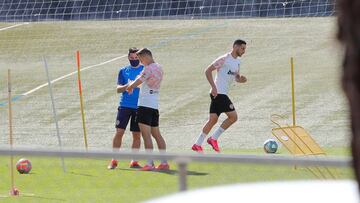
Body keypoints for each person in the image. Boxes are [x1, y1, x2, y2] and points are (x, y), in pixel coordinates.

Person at [192, 39, 248, 153]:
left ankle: (197, 144)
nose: (244, 51)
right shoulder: (224, 59)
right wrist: (213, 87)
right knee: (233, 117)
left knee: (213, 120)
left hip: (221, 94)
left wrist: (241, 79)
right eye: (242, 48)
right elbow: (207, 71)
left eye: (245, 49)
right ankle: (213, 138)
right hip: (219, 94)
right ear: (235, 47)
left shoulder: (237, 62)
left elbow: (236, 78)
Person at [127, 48, 170, 171]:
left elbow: (138, 81)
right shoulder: (159, 67)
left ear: (146, 57)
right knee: (157, 135)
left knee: (146, 136)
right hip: (154, 104)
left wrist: (130, 87)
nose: (140, 62)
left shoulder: (148, 68)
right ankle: (164, 162)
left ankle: (150, 163)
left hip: (145, 105)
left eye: (140, 59)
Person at [108, 47, 144, 170]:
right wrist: (127, 86)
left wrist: (136, 86)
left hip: (139, 106)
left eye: (136, 58)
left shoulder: (144, 70)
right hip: (124, 106)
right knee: (119, 132)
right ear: (128, 57)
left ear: (139, 58)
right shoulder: (123, 71)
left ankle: (134, 161)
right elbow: (118, 89)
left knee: (136, 135)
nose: (134, 60)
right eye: (131, 58)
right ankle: (114, 159)